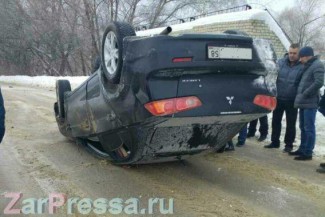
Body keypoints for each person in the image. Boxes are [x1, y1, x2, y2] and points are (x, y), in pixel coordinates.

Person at [264, 44, 303, 152]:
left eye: (294, 53)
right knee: (276, 121)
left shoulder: (302, 66)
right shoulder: (280, 63)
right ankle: (274, 142)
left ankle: (288, 145)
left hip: (292, 100)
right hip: (279, 98)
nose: (292, 55)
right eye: (290, 52)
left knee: (291, 124)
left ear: (299, 54)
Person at [288, 46, 324, 160]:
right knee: (303, 127)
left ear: (306, 56)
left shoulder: (317, 65)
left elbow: (319, 82)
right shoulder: (307, 66)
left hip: (310, 101)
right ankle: (302, 148)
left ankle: (308, 152)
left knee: (309, 128)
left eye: (301, 57)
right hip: (303, 102)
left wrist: (306, 93)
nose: (300, 60)